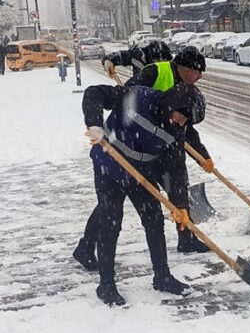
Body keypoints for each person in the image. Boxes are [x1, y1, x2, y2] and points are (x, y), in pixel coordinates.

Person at [81, 82, 207, 306]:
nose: (181, 123)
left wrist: (180, 207)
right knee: (111, 221)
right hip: (109, 166)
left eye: (186, 121)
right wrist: (94, 123)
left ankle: (162, 276)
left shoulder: (175, 132)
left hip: (140, 174)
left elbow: (175, 170)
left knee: (154, 220)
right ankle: (106, 284)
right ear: (171, 104)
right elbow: (94, 93)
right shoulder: (136, 96)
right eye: (181, 116)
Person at [82, 45, 211, 255]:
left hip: (160, 147)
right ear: (185, 68)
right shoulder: (156, 72)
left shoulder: (187, 92)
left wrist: (203, 157)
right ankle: (86, 246)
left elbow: (184, 129)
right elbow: (128, 98)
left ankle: (186, 238)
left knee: (178, 187)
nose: (200, 77)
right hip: (134, 145)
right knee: (111, 203)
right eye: (198, 72)